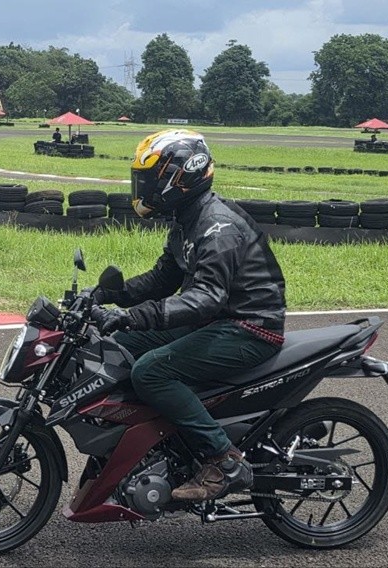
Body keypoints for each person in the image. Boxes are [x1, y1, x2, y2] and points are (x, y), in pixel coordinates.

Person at [91, 129, 287, 503]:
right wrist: (107, 295)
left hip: (249, 328)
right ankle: (154, 444)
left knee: (151, 370)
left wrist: (134, 316)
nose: (143, 185)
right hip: (216, 322)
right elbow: (164, 277)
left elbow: (205, 299)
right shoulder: (187, 219)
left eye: (149, 177)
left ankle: (224, 460)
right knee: (117, 345)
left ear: (179, 176)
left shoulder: (218, 226)